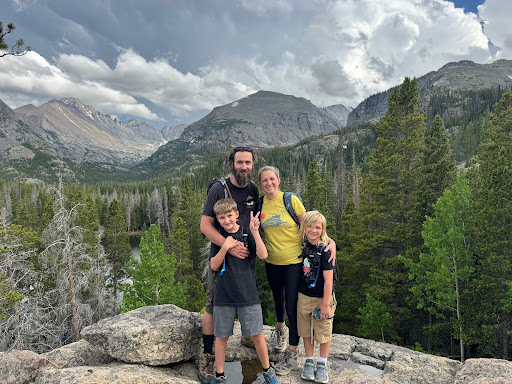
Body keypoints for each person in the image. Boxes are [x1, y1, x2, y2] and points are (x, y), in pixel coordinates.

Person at [258, 166, 336, 376]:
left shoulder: (290, 200)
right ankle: (280, 330)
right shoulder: (261, 204)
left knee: (292, 305)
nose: (269, 183)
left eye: (272, 179)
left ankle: (292, 352)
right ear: (260, 184)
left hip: (294, 262)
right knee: (278, 301)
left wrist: (330, 241)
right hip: (272, 262)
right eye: (264, 180)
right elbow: (259, 231)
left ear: (279, 180)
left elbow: (310, 226)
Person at [199, 146, 259, 383]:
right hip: (222, 257)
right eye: (239, 162)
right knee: (213, 303)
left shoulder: (253, 190)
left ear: (253, 164)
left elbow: (257, 225)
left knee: (247, 297)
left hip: (245, 260)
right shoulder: (218, 189)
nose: (243, 167)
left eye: (248, 163)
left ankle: (247, 336)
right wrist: (229, 245)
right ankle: (207, 355)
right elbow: (205, 226)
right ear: (231, 164)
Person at [209, 198, 279, 384]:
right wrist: (225, 246)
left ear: (237, 214)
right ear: (217, 219)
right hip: (224, 296)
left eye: (229, 215)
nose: (227, 220)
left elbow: (263, 255)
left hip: (248, 295)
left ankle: (268, 371)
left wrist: (255, 232)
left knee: (257, 335)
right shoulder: (219, 237)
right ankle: (220, 376)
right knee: (221, 337)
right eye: (222, 217)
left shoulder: (247, 233)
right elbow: (214, 265)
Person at [297, 211, 336, 383]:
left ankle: (322, 363)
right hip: (304, 295)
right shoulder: (301, 245)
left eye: (318, 227)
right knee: (306, 330)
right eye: (310, 226)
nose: (313, 230)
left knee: (324, 330)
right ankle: (308, 360)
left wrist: (326, 304)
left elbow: (329, 281)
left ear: (323, 229)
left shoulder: (326, 250)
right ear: (304, 228)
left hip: (323, 297)